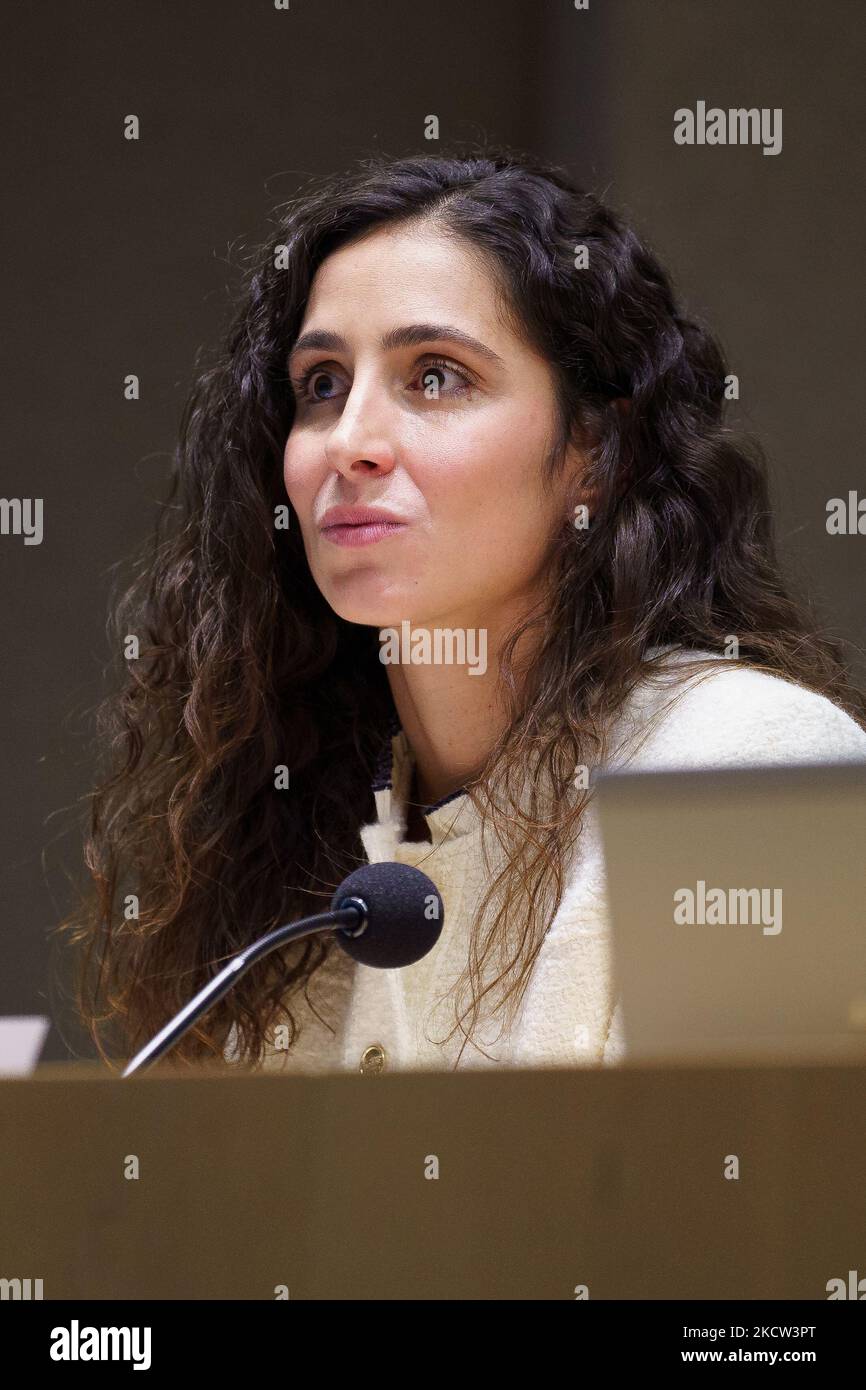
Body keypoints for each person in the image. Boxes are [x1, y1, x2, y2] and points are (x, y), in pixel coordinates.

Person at [57, 150, 866, 1075]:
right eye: (321, 384)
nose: (350, 441)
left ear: (593, 451)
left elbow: (765, 1207)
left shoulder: (749, 764)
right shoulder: (293, 855)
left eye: (434, 376)